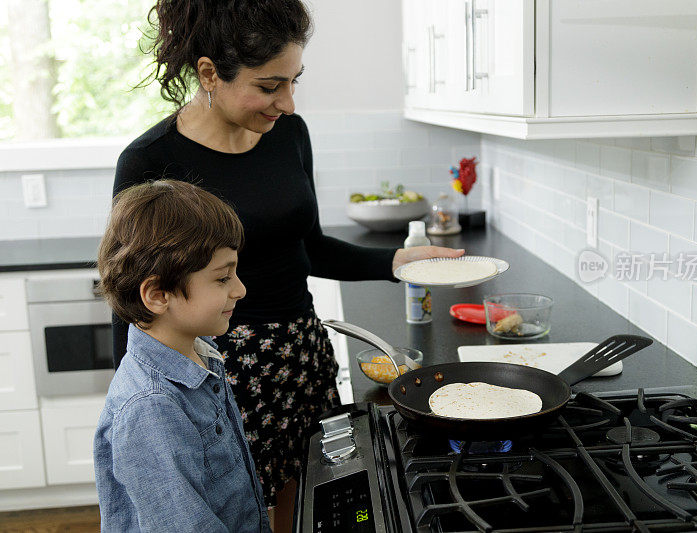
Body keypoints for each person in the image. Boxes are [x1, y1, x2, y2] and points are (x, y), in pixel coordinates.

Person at [113, 1, 464, 530]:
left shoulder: (289, 136)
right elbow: (132, 298)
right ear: (210, 73)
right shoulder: (150, 161)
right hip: (218, 368)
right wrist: (147, 402)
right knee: (233, 511)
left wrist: (398, 262)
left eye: (294, 81)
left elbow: (310, 247)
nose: (288, 103)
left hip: (300, 353)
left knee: (310, 504)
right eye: (270, 86)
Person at [94, 180, 270, 532]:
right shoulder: (151, 407)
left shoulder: (201, 353)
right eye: (222, 279)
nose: (240, 289)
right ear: (158, 295)